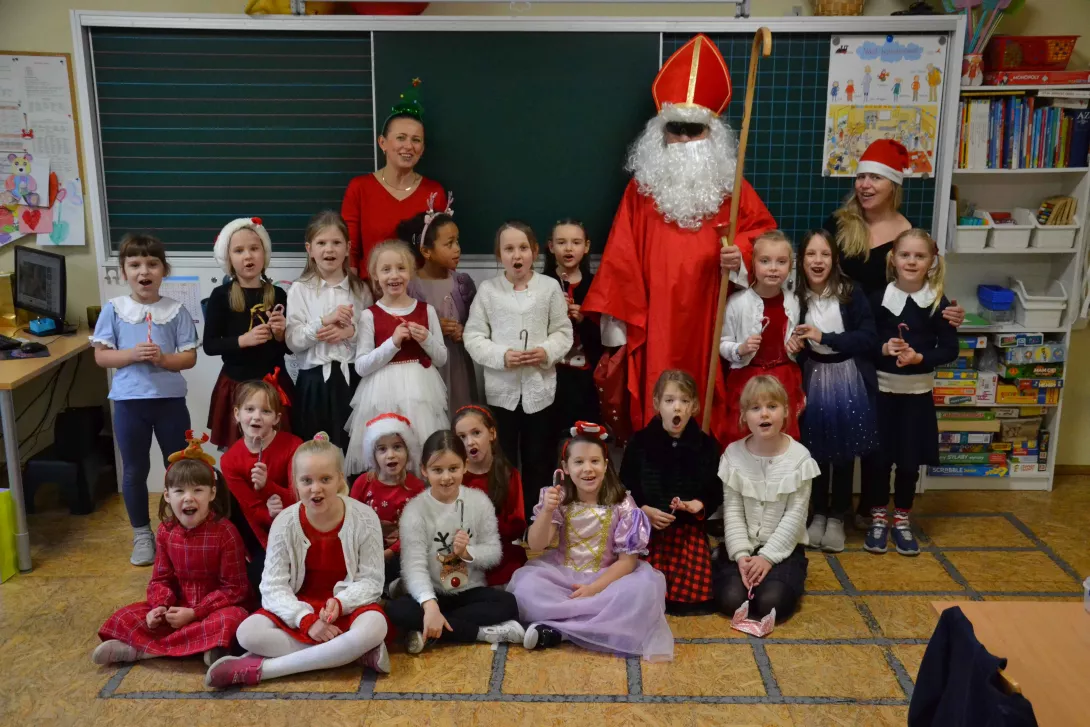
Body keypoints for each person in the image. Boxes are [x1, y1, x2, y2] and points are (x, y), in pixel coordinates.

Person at [583, 34, 776, 448]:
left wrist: (739, 253)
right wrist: (621, 325)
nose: (686, 140)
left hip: (712, 317)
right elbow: (621, 256)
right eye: (676, 129)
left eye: (695, 130)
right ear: (660, 132)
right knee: (658, 398)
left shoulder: (731, 188)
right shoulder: (642, 189)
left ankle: (703, 482)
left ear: (712, 133)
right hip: (657, 320)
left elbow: (764, 236)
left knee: (708, 404)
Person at [824, 139, 964, 529]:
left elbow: (921, 289)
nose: (865, 185)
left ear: (893, 185)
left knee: (877, 432)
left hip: (882, 348)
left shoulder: (908, 237)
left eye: (875, 178)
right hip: (839, 336)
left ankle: (874, 509)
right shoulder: (839, 224)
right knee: (840, 424)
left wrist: (948, 309)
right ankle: (835, 508)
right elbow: (820, 273)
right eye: (861, 176)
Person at [205, 433, 391, 689]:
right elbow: (272, 586)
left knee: (375, 627)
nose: (316, 488)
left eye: (325, 479)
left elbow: (371, 581)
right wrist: (305, 619)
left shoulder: (365, 518)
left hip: (344, 608)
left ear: (339, 479)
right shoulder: (285, 522)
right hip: (300, 606)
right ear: (295, 483)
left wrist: (340, 602)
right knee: (247, 633)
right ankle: (351, 653)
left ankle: (265, 669)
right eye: (307, 480)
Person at [508, 422, 672, 660]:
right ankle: (584, 628)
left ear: (606, 465)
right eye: (579, 462)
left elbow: (627, 563)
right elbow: (536, 545)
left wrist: (594, 588)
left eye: (595, 461)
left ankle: (559, 630)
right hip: (563, 574)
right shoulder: (560, 497)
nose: (588, 469)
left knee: (641, 592)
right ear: (565, 467)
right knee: (527, 587)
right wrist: (546, 512)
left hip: (607, 578)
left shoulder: (624, 504)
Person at [93, 436, 248, 666]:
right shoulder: (166, 532)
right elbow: (160, 579)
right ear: (167, 495)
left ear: (212, 494)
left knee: (233, 620)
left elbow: (235, 589)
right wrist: (159, 608)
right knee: (125, 616)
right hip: (177, 607)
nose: (189, 498)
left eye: (198, 490)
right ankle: (200, 647)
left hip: (213, 609)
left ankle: (144, 650)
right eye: (179, 491)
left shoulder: (226, 532)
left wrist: (196, 612)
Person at [92, 233, 199, 566]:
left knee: (178, 467)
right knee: (135, 469)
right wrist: (131, 354)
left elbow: (189, 357)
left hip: (169, 403)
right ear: (124, 272)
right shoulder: (114, 310)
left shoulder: (176, 310)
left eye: (152, 263)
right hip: (129, 404)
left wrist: (163, 360)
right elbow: (101, 357)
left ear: (163, 270)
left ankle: (180, 529)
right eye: (135, 264)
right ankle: (142, 534)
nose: (144, 271)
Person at [464, 221, 573, 518]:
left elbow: (564, 332)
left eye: (523, 248)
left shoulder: (549, 288)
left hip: (541, 392)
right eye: (509, 249)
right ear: (499, 256)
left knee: (539, 459)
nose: (517, 255)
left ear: (534, 251)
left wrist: (546, 351)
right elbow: (472, 336)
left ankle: (538, 523)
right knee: (504, 461)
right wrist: (502, 356)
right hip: (502, 394)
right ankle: (508, 521)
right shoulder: (488, 291)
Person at [385, 431, 524, 654]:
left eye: (453, 468)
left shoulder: (479, 501)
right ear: (424, 470)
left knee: (508, 604)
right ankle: (481, 634)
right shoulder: (415, 510)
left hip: (468, 591)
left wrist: (468, 553)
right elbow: (414, 567)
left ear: (465, 465)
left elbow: (494, 552)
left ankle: (429, 631)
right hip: (432, 591)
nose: (446, 477)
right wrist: (429, 605)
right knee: (396, 610)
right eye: (437, 470)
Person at [867, 229, 958, 556]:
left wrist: (921, 358)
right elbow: (865, 343)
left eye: (919, 256)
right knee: (879, 462)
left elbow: (950, 349)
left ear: (931, 261)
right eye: (905, 255)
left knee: (908, 464)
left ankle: (902, 521)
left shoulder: (937, 302)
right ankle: (878, 519)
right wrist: (883, 347)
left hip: (917, 397)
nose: (911, 261)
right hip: (882, 394)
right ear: (893, 257)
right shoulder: (877, 299)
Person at [789, 231, 878, 554]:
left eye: (824, 254)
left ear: (835, 259)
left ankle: (837, 516)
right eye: (811, 254)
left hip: (845, 377)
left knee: (842, 451)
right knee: (814, 448)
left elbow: (867, 337)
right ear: (801, 260)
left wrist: (826, 336)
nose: (817, 261)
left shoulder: (850, 293)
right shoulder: (796, 296)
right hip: (811, 376)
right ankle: (818, 513)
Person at [715, 376, 816, 623]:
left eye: (772, 406)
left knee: (772, 603)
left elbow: (795, 516)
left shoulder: (800, 458)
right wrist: (741, 556)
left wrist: (767, 558)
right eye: (755, 408)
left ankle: (783, 577)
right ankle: (728, 562)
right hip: (744, 545)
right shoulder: (732, 455)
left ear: (786, 412)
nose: (764, 415)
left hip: (784, 548)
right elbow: (733, 512)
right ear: (744, 416)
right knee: (730, 600)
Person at [620, 370, 721, 615]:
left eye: (684, 401)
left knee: (691, 599)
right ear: (657, 404)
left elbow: (715, 490)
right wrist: (643, 509)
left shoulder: (706, 446)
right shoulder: (640, 442)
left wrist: (699, 504)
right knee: (638, 595)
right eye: (669, 401)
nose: (677, 408)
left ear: (694, 406)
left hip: (686, 533)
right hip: (647, 533)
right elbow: (624, 485)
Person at [344, 240, 448, 474]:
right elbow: (361, 365)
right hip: (382, 392)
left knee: (421, 451)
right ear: (375, 275)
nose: (394, 275)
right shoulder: (369, 315)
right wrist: (393, 343)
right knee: (386, 449)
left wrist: (426, 339)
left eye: (401, 268)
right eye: (386, 269)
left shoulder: (426, 310)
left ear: (410, 272)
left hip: (421, 391)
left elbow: (441, 357)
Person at [285, 210, 373, 450]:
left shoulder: (360, 290)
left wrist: (350, 333)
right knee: (315, 450)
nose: (329, 250)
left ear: (348, 247)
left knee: (352, 448)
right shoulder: (299, 290)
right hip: (313, 382)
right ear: (309, 249)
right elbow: (292, 341)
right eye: (321, 243)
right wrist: (323, 323)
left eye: (336, 243)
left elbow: (372, 337)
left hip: (352, 379)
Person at [341, 79, 445, 275]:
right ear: (383, 143)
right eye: (400, 138)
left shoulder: (434, 192)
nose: (408, 146)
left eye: (416, 140)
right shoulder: (360, 188)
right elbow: (350, 251)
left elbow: (441, 253)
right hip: (370, 292)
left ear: (422, 149)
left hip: (418, 295)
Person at [205, 216, 292, 449]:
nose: (248, 256)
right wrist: (243, 340)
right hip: (237, 385)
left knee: (277, 450)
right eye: (239, 250)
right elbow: (210, 345)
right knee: (239, 451)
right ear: (229, 259)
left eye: (254, 248)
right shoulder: (220, 296)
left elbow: (289, 350)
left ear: (264, 254)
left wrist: (281, 334)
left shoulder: (278, 294)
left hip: (274, 384)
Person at [719, 230, 805, 444]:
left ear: (790, 265)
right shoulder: (737, 303)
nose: (774, 268)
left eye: (781, 262)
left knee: (782, 436)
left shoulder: (794, 302)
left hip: (783, 379)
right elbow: (722, 343)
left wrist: (796, 345)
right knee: (744, 435)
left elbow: (797, 336)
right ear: (753, 264)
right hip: (747, 380)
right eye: (765, 261)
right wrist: (740, 349)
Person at [396, 198, 479, 414]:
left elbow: (479, 325)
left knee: (459, 415)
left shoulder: (463, 283)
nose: (457, 249)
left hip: (458, 366)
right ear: (426, 251)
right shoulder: (411, 286)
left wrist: (465, 331)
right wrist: (431, 326)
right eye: (449, 244)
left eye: (458, 242)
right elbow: (399, 324)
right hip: (425, 368)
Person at [219, 380, 303, 589]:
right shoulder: (230, 460)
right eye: (249, 409)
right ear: (237, 414)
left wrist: (268, 486)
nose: (256, 416)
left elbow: (301, 497)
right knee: (259, 579)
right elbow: (250, 509)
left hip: (297, 524)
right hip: (260, 530)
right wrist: (269, 516)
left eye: (265, 411)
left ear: (276, 419)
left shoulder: (294, 446)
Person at [348, 412, 426, 589]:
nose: (390, 455)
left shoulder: (416, 487)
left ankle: (396, 586)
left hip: (400, 551)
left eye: (397, 447)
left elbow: (417, 532)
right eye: (382, 449)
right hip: (366, 549)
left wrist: (389, 552)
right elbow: (351, 520)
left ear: (408, 451)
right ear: (373, 455)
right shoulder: (363, 483)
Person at [452, 404, 527, 586]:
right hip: (460, 553)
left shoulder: (508, 475)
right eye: (462, 437)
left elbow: (517, 525)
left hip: (499, 554)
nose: (470, 442)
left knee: (513, 590)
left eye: (476, 433)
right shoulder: (455, 476)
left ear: (492, 434)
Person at [544, 218, 602, 437]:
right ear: (551, 247)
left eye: (576, 242)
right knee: (550, 438)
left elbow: (605, 339)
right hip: (550, 376)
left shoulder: (596, 285)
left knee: (585, 439)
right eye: (561, 242)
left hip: (586, 379)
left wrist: (583, 320)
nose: (569, 248)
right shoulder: (540, 283)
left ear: (586, 247)